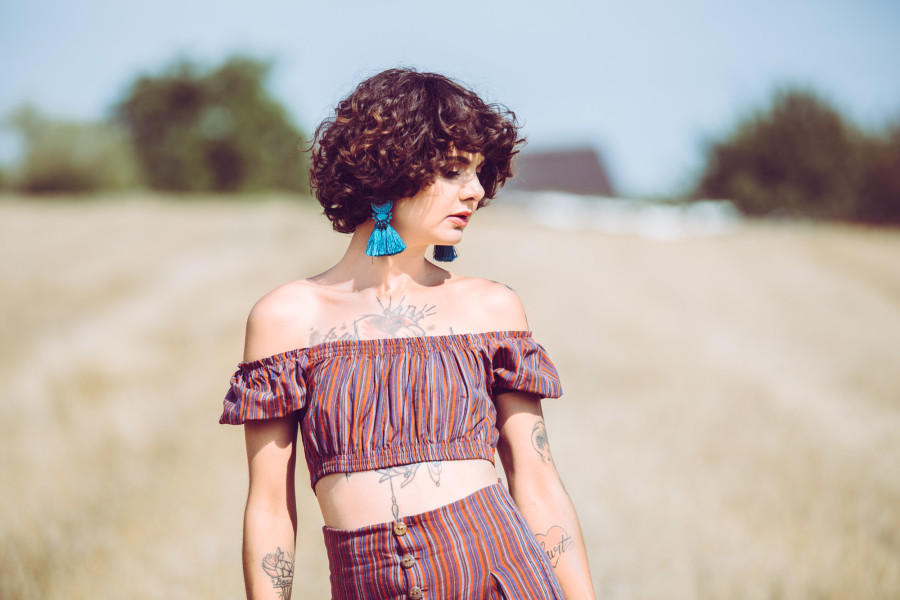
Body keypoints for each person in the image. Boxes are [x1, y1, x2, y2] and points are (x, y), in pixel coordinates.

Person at [221, 68, 595, 600]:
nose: (475, 191)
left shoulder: (491, 308)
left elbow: (538, 484)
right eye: (453, 171)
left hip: (501, 577)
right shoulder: (284, 318)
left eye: (479, 173)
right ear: (387, 170)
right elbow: (269, 508)